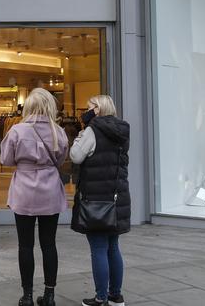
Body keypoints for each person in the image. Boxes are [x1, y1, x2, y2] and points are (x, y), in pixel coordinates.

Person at [0, 88, 69, 306]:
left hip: (24, 191)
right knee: (49, 244)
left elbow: (7, 159)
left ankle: (27, 295)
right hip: (49, 189)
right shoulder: (58, 131)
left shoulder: (17, 130)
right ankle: (49, 295)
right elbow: (61, 158)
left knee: (25, 245)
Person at [70, 95, 130, 306]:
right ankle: (116, 296)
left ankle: (100, 298)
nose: (86, 111)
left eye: (89, 107)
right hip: (117, 198)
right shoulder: (122, 130)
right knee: (113, 246)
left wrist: (79, 136)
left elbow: (76, 156)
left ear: (98, 109)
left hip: (96, 200)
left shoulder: (92, 131)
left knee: (98, 248)